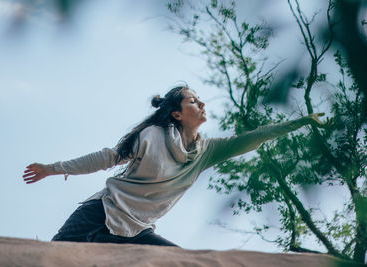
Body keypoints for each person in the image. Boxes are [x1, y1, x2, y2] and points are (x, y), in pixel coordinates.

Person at [23, 85, 330, 247]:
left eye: (200, 100)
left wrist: (300, 122)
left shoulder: (207, 152)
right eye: (194, 101)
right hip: (99, 214)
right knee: (52, 257)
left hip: (137, 231)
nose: (202, 104)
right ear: (177, 114)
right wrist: (52, 168)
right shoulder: (151, 136)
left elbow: (251, 138)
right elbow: (107, 158)